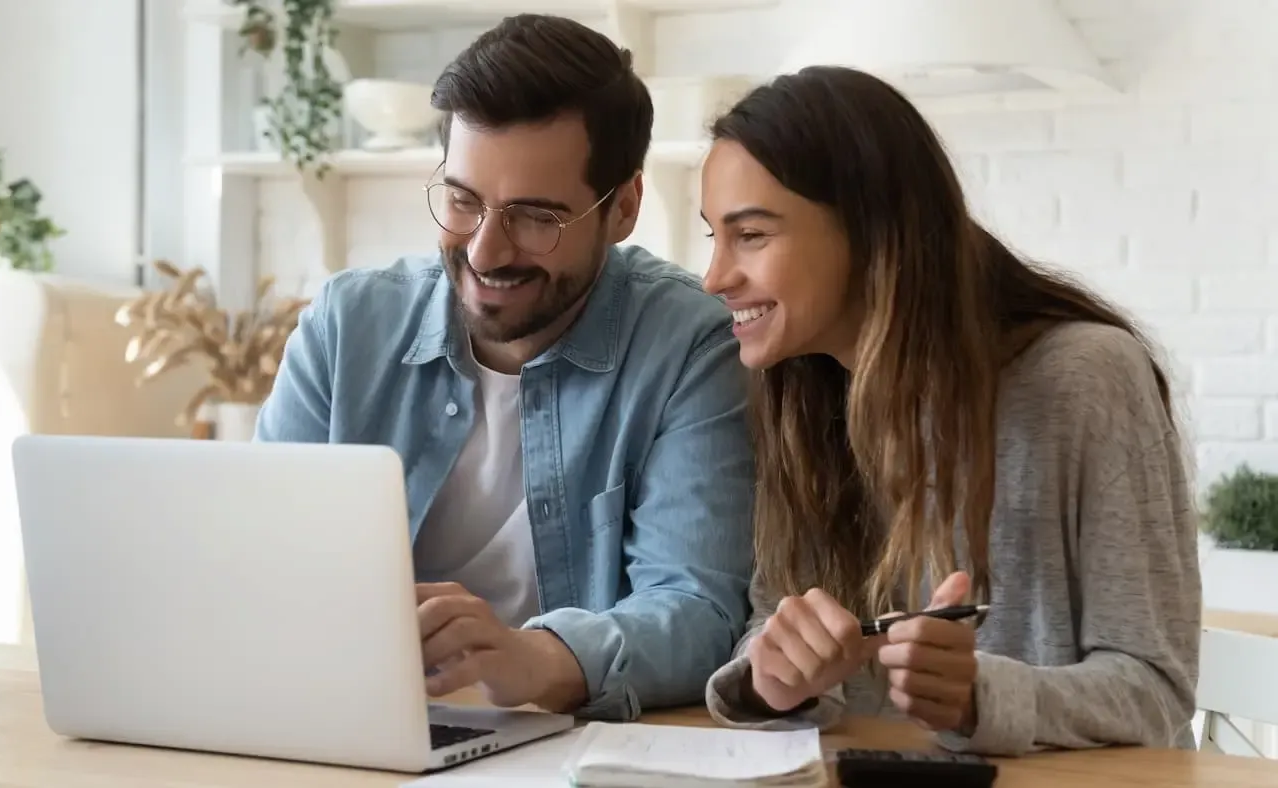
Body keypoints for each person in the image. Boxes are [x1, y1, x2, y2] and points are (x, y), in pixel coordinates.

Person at [254, 14, 755, 722]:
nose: (486, 252)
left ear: (624, 209)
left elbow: (698, 610)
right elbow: (257, 561)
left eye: (535, 216)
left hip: (565, 744)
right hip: (351, 723)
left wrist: (537, 660)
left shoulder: (688, 347)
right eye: (462, 200)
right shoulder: (346, 326)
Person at [697, 65, 1202, 756]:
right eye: (713, 237)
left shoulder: (1086, 379)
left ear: (871, 232)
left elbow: (1156, 690)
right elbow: (773, 626)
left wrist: (978, 698)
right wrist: (775, 679)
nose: (715, 276)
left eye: (750, 236)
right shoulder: (804, 396)